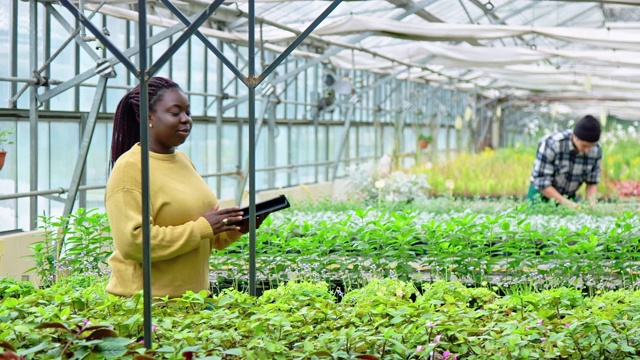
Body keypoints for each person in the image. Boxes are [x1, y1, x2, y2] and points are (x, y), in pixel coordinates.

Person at [105, 77, 265, 298]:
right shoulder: (130, 168)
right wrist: (203, 227)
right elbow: (133, 243)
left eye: (188, 112)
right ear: (149, 117)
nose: (186, 119)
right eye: (175, 112)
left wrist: (236, 228)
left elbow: (203, 233)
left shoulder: (182, 160)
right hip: (147, 306)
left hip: (193, 300)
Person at [527, 114, 602, 209]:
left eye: (590, 146)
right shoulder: (552, 143)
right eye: (584, 146)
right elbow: (541, 181)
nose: (588, 150)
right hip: (541, 195)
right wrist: (567, 204)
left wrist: (592, 206)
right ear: (575, 137)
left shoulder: (596, 149)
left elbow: (592, 181)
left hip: (568, 196)